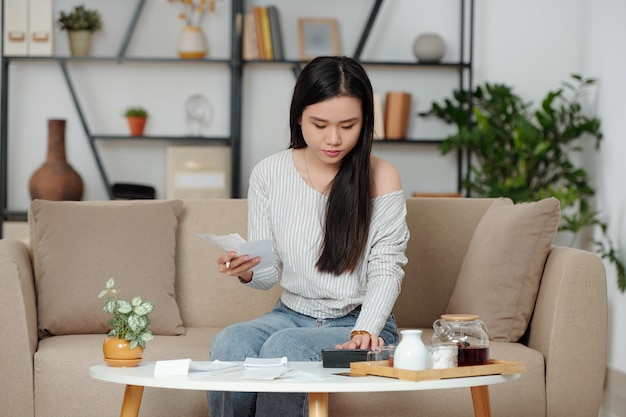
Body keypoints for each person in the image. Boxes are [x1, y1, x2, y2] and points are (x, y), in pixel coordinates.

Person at [208, 55, 409, 417]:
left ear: (364, 122)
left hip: (360, 322)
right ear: (298, 116)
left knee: (284, 347)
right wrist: (247, 270)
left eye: (349, 125)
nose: (334, 139)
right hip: (291, 312)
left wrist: (365, 331)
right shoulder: (269, 173)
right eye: (320, 124)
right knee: (231, 341)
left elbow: (386, 267)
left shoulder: (381, 175)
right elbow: (268, 273)